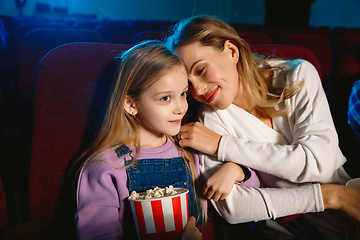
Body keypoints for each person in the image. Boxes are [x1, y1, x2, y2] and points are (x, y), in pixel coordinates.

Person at [165, 15, 360, 239]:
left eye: (200, 70)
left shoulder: (299, 75)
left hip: (351, 210)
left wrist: (223, 145)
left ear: (231, 51)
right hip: (292, 229)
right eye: (188, 85)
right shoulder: (209, 118)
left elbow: (318, 164)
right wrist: (331, 196)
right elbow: (233, 208)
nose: (198, 91)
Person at [69, 40, 209, 239]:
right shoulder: (107, 166)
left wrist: (237, 171)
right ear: (130, 105)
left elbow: (250, 186)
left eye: (183, 93)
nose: (181, 107)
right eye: (165, 98)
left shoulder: (187, 151)